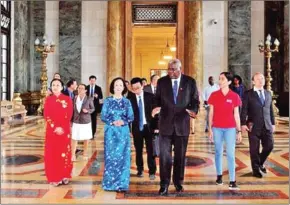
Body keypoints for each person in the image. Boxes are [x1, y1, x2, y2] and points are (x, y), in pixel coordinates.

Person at [152, 59, 199, 195]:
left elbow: (195, 100)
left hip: (182, 125)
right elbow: (156, 99)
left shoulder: (190, 82)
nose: (170, 72)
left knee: (180, 156)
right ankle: (164, 184)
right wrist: (155, 108)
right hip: (165, 125)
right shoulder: (162, 82)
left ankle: (178, 182)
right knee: (165, 157)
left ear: (180, 69)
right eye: (169, 69)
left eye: (173, 69)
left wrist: (194, 111)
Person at [208, 72, 242, 190]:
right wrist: (210, 129)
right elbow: (211, 113)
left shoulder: (235, 96)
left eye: (222, 79)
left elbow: (236, 115)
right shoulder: (214, 95)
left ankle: (232, 180)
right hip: (216, 128)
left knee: (231, 154)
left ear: (228, 82)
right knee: (218, 152)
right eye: (219, 78)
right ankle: (219, 176)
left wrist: (239, 131)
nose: (219, 81)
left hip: (230, 129)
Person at [101, 77, 134, 192]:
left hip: (123, 132)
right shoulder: (108, 101)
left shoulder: (127, 102)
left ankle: (122, 183)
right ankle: (109, 183)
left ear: (124, 88)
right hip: (110, 132)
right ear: (113, 87)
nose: (118, 87)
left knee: (123, 158)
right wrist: (112, 122)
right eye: (116, 85)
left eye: (121, 85)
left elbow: (131, 116)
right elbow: (103, 116)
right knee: (111, 157)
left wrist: (123, 122)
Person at [241, 72, 275, 178]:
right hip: (253, 126)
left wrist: (273, 123)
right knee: (254, 149)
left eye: (262, 78)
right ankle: (255, 170)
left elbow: (270, 110)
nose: (261, 81)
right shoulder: (248, 94)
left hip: (267, 125)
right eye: (258, 79)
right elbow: (244, 110)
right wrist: (242, 123)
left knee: (269, 146)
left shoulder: (268, 93)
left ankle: (259, 163)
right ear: (253, 81)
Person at [43, 79, 73, 186]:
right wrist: (55, 127)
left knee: (64, 152)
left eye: (58, 85)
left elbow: (69, 115)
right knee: (53, 153)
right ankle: (54, 177)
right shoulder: (48, 100)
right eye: (53, 85)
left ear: (62, 87)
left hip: (64, 130)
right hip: (52, 131)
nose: (55, 87)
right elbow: (47, 115)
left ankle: (65, 175)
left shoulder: (67, 99)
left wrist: (62, 127)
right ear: (51, 87)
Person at [127, 77, 157, 180]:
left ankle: (152, 171)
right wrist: (129, 130)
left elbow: (156, 113)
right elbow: (127, 116)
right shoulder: (129, 100)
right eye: (134, 89)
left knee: (151, 150)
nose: (137, 90)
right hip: (136, 128)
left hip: (149, 128)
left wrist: (157, 127)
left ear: (143, 86)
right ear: (131, 88)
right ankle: (140, 169)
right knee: (138, 150)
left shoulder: (151, 97)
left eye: (138, 88)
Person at [71, 84, 95, 161]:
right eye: (79, 88)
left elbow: (93, 108)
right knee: (74, 137)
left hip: (86, 121)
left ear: (85, 90)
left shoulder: (89, 99)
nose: (80, 89)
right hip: (76, 120)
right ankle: (72, 155)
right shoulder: (74, 98)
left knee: (86, 138)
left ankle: (85, 154)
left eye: (82, 88)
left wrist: (87, 111)